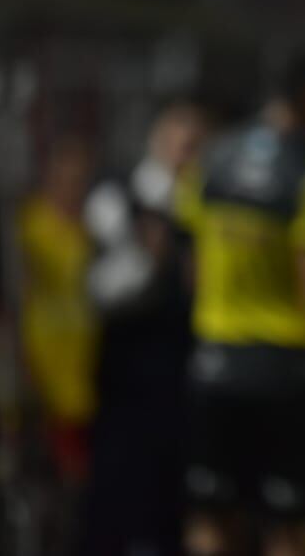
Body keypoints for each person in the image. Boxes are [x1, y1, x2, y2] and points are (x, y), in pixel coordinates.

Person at [176, 38, 305, 556]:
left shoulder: (214, 156)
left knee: (211, 520)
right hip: (292, 375)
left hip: (215, 365)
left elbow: (192, 267)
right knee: (288, 530)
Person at [81, 98, 208, 556]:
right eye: (180, 138)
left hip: (185, 376)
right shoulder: (117, 198)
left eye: (197, 142)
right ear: (157, 137)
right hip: (128, 376)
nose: (187, 151)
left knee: (174, 505)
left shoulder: (204, 205)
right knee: (118, 499)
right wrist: (149, 261)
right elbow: (101, 291)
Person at [16, 134, 98, 487]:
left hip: (91, 359)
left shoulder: (94, 224)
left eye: (80, 179)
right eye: (64, 177)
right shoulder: (30, 225)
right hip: (45, 359)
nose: (71, 186)